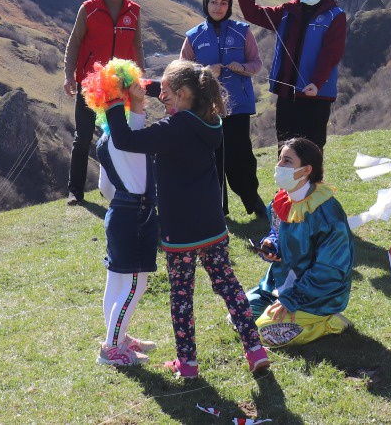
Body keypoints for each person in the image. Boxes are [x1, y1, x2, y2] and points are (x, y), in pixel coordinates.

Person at [104, 61, 270, 378]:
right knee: (230, 288)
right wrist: (141, 84)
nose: (160, 96)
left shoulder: (173, 130)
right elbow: (173, 91)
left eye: (165, 93)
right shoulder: (211, 121)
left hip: (180, 232)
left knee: (182, 296)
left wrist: (114, 100)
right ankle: (255, 349)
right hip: (212, 226)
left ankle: (188, 364)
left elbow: (125, 139)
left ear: (181, 95)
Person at [247, 137, 354, 349]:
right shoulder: (282, 200)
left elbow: (329, 270)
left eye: (287, 161)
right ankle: (278, 311)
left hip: (316, 295)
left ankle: (329, 322)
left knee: (265, 333)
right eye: (280, 159)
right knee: (239, 315)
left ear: (306, 171)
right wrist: (272, 245)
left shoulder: (326, 213)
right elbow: (278, 232)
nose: (279, 166)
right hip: (280, 284)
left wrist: (293, 299)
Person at [90, 63, 161, 368]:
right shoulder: (128, 131)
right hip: (136, 214)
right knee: (135, 285)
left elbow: (104, 188)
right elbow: (134, 125)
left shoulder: (103, 141)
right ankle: (112, 347)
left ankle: (117, 337)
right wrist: (140, 104)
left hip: (117, 211)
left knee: (116, 282)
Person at [233, 0, 347, 148]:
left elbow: (331, 54)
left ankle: (312, 178)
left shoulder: (335, 15)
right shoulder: (287, 11)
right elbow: (252, 13)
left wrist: (316, 83)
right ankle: (287, 178)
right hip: (287, 95)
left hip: (316, 94)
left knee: (312, 150)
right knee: (286, 149)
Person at [180, 0, 267, 221]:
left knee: (241, 156)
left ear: (229, 6)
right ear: (206, 4)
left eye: (224, 3)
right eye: (214, 2)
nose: (218, 7)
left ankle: (253, 200)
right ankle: (218, 209)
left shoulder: (242, 31)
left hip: (238, 106)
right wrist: (205, 72)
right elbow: (181, 72)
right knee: (212, 158)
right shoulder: (194, 36)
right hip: (205, 108)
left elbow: (256, 63)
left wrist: (245, 68)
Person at [62, 0, 146, 204]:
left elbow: (137, 46)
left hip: (121, 86)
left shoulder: (134, 10)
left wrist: (140, 79)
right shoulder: (88, 9)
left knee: (121, 137)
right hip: (91, 86)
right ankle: (74, 191)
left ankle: (116, 186)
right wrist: (69, 75)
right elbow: (74, 43)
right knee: (84, 137)